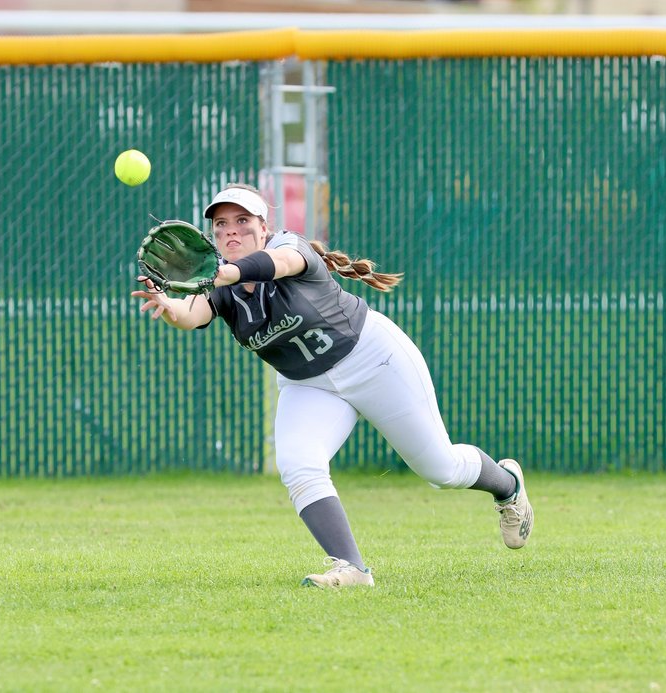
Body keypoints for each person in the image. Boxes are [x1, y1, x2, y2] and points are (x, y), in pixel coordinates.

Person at [131, 183, 534, 588]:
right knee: (299, 464)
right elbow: (191, 314)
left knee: (439, 468)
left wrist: (225, 273)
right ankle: (352, 569)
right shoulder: (220, 285)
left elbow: (279, 263)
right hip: (308, 385)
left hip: (373, 358)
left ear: (264, 226)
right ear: (212, 236)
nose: (231, 231)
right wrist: (169, 306)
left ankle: (508, 485)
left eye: (243, 221)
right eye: (221, 224)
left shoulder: (288, 247)